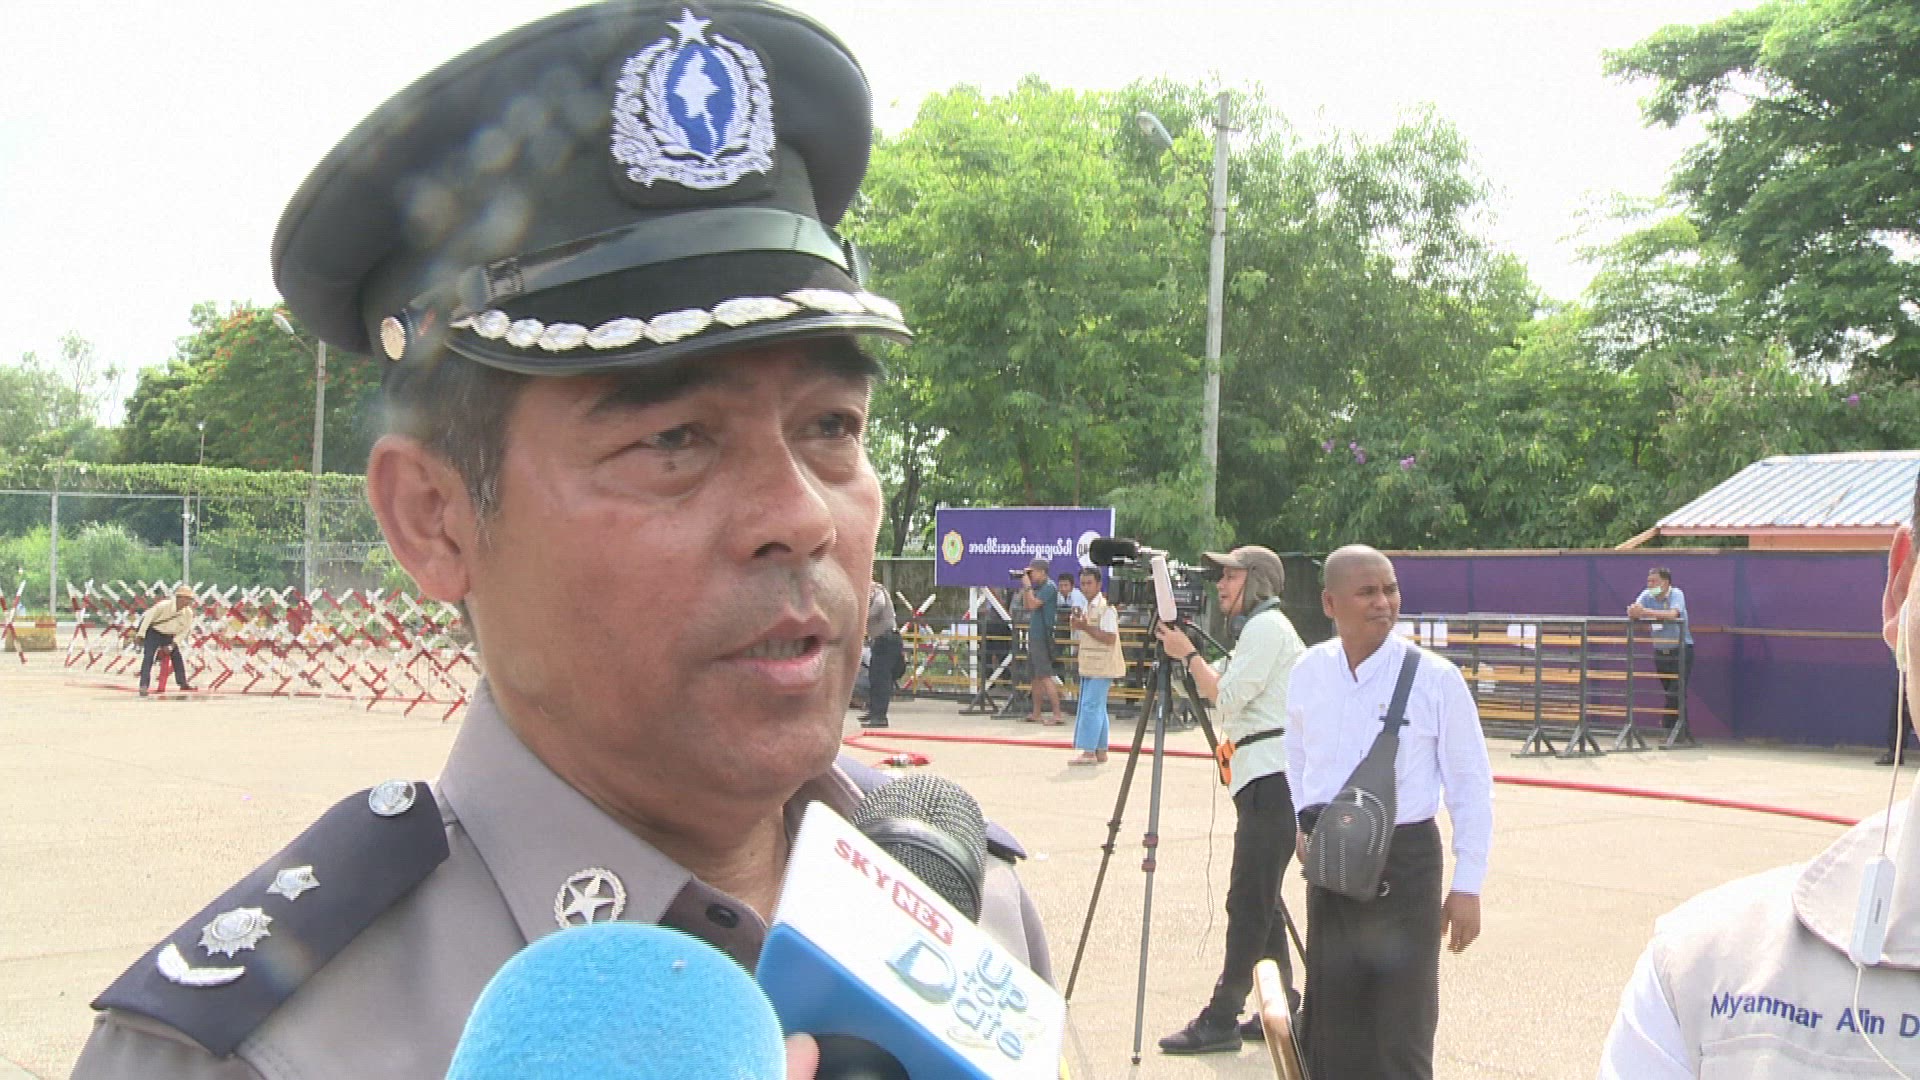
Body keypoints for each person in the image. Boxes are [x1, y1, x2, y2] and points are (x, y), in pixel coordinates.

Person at [71, 5, 1050, 1077]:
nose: (803, 516)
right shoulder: (267, 1052)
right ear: (433, 519)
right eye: (673, 439)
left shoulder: (963, 907)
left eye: (831, 428)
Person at [1598, 474, 1920, 1077]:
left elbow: (1657, 613)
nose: (1654, 584)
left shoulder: (1674, 599)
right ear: (1901, 591)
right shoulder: (1701, 976)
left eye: (1658, 580)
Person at [1286, 545, 1493, 1079]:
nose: (1384, 602)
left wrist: (1467, 885)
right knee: (1332, 1025)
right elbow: (1296, 757)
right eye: (1367, 592)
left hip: (1405, 865)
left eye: (1390, 589)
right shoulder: (1308, 671)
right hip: (1332, 866)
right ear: (1330, 603)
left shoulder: (1435, 679)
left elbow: (1470, 786)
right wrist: (1302, 822)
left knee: (1401, 1030)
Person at [1152, 546, 1309, 1053]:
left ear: (1256, 580)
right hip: (1263, 779)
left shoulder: (1266, 628)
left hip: (1271, 780)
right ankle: (1284, 1005)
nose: (1220, 585)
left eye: (1230, 576)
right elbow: (1212, 681)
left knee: (1247, 902)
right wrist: (1186, 655)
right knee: (1261, 899)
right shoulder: (1259, 631)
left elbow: (1224, 693)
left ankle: (1222, 1016)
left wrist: (1189, 656)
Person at [1067, 567, 1123, 766]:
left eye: (1089, 583)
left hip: (1103, 665)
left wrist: (1084, 627)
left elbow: (1109, 637)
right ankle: (1101, 750)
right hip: (1090, 663)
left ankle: (1089, 751)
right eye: (1082, 583)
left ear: (1099, 584)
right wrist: (1078, 625)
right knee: (1097, 707)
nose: (1085, 587)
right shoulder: (1087, 606)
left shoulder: (1106, 608)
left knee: (1090, 706)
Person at [1629, 567, 1694, 731]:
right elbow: (1634, 610)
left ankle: (1667, 726)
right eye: (1648, 581)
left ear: (1664, 583)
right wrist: (1634, 611)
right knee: (1671, 693)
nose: (1650, 585)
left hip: (1681, 650)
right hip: (1660, 651)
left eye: (1654, 581)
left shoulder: (1676, 594)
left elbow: (1673, 614)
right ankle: (1681, 731)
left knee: (1675, 691)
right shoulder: (1646, 595)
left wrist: (1646, 612)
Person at [1019, 557, 1065, 726]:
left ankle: (1057, 714)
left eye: (1033, 572)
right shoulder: (1039, 588)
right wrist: (1027, 588)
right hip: (1035, 635)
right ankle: (1036, 712)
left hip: (1043, 636)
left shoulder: (1049, 587)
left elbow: (1033, 605)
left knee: (1045, 675)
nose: (1031, 575)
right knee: (1035, 676)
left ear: (1042, 572)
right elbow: (1027, 605)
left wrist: (1028, 586)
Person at [135, 585, 198, 696]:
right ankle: (144, 685)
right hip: (154, 632)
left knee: (177, 657)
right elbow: (148, 618)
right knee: (148, 657)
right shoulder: (164, 606)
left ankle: (182, 683)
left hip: (168, 636)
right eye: (187, 598)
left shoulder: (188, 613)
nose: (189, 601)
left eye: (190, 599)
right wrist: (141, 635)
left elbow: (184, 631)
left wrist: (172, 645)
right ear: (179, 598)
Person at [862, 579, 901, 729]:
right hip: (880, 641)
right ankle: (874, 712)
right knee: (875, 677)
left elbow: (879, 605)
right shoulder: (869, 592)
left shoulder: (877, 590)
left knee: (881, 679)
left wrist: (864, 614)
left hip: (887, 639)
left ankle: (879, 716)